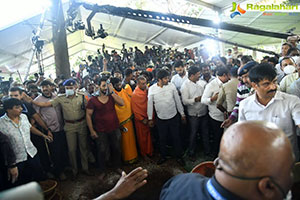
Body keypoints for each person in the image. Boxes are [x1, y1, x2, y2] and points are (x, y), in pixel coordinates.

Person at [160, 121, 295, 200]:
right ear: (267, 187)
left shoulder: (179, 183)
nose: (292, 176)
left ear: (217, 162)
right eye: (289, 170)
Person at [24, 79, 91, 178]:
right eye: (67, 88)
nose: (69, 89)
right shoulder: (59, 98)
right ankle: (73, 170)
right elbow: (45, 105)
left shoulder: (80, 96)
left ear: (75, 87)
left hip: (75, 125)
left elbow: (88, 108)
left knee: (81, 148)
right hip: (62, 128)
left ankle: (84, 168)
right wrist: (32, 101)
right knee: (68, 150)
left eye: (71, 87)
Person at [239, 63, 300, 161]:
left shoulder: (291, 101)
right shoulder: (245, 105)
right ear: (254, 85)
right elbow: (243, 133)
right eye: (266, 84)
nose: (273, 87)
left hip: (287, 160)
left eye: (274, 82)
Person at [0, 98, 46, 187]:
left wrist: (42, 135)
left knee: (38, 175)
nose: (21, 109)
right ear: (8, 109)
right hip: (16, 159)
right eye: (17, 107)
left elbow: (30, 128)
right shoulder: (1, 123)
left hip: (31, 153)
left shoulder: (24, 117)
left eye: (21, 106)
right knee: (22, 181)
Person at [147, 69, 185, 165]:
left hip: (173, 116)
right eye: (165, 78)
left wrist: (182, 114)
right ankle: (163, 156)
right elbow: (150, 104)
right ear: (159, 79)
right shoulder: (152, 89)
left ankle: (179, 156)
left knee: (176, 137)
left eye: (168, 78)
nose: (167, 80)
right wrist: (150, 118)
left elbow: (177, 101)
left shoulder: (171, 86)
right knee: (162, 139)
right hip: (161, 118)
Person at [33, 80, 68, 180]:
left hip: (62, 127)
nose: (45, 89)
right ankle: (59, 172)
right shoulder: (38, 100)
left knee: (62, 149)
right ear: (41, 89)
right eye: (43, 87)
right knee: (55, 152)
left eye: (47, 86)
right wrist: (46, 129)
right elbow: (37, 116)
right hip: (50, 130)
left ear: (51, 87)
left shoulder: (56, 96)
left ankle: (64, 167)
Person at [180, 66, 209, 160]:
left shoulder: (202, 83)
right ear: (192, 75)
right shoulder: (185, 86)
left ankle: (207, 151)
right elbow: (184, 101)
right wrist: (195, 99)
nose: (199, 76)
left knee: (205, 133)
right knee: (193, 134)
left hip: (203, 112)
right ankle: (191, 153)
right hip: (194, 114)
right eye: (198, 74)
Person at [201, 66, 229, 157]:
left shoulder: (229, 83)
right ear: (224, 75)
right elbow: (203, 100)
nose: (230, 77)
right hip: (216, 116)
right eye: (229, 75)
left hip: (229, 116)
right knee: (217, 137)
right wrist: (212, 99)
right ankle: (215, 155)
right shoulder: (211, 85)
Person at [221, 61, 257, 128]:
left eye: (247, 76)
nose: (244, 80)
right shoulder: (241, 86)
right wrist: (231, 118)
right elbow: (238, 104)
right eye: (242, 77)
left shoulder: (265, 88)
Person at [110, 77, 138, 163]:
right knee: (123, 142)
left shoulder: (125, 90)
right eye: (117, 85)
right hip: (119, 121)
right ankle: (126, 159)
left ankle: (134, 156)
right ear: (113, 86)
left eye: (120, 84)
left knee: (131, 140)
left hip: (129, 119)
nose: (119, 86)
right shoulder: (112, 95)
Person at [131, 76, 153, 158]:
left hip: (149, 117)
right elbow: (135, 109)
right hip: (141, 120)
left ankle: (150, 152)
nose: (145, 85)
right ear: (138, 84)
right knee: (142, 138)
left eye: (145, 83)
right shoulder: (135, 95)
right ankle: (144, 154)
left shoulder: (147, 91)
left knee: (149, 137)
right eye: (143, 84)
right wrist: (142, 119)